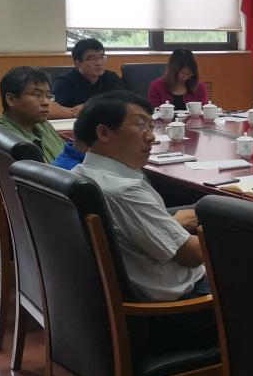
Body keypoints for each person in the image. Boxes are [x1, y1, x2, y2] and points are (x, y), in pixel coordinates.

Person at [72, 92, 207, 301]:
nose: (151, 137)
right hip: (185, 297)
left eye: (151, 127)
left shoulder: (78, 174)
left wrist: (173, 224)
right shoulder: (124, 191)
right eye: (140, 125)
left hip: (116, 292)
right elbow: (193, 255)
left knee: (202, 208)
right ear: (104, 133)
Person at [0, 67, 65, 163]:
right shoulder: (8, 140)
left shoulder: (42, 124)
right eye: (37, 95)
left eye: (48, 96)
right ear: (11, 99)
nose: (46, 102)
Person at [50, 39, 123, 120]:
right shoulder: (64, 82)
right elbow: (50, 109)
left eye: (101, 57)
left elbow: (125, 103)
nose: (99, 63)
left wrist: (91, 109)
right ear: (78, 63)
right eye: (92, 59)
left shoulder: (111, 77)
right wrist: (77, 113)